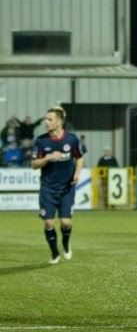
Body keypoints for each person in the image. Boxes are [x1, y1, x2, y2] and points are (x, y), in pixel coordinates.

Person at [31, 106, 84, 264]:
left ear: (59, 122)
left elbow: (79, 158)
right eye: (46, 119)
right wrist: (48, 158)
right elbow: (34, 164)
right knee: (48, 222)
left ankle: (66, 243)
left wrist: (77, 172)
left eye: (50, 119)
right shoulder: (41, 141)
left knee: (65, 222)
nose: (46, 122)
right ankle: (54, 252)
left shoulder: (71, 139)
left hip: (66, 188)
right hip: (48, 188)